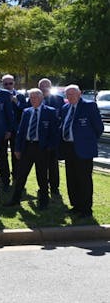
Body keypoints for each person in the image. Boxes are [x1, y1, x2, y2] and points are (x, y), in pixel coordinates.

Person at [4, 88, 59, 210]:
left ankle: (44, 201)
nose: (33, 100)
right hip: (27, 147)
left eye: (35, 97)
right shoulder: (26, 112)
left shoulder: (50, 112)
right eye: (31, 98)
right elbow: (21, 132)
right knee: (21, 175)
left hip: (42, 148)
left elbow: (54, 132)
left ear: (41, 98)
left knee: (42, 176)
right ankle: (15, 199)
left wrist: (49, 148)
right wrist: (17, 149)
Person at [59, 85, 103, 218]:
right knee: (71, 178)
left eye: (73, 94)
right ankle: (76, 206)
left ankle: (86, 209)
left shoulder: (89, 106)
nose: (70, 97)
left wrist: (87, 141)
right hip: (68, 148)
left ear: (80, 94)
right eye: (68, 95)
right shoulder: (65, 108)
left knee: (84, 179)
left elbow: (98, 128)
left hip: (83, 149)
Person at [39, 78, 65, 199]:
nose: (44, 88)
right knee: (40, 164)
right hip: (39, 138)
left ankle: (54, 187)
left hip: (53, 137)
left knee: (53, 165)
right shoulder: (35, 98)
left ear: (50, 87)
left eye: (46, 86)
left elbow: (62, 117)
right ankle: (42, 186)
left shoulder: (58, 99)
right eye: (42, 86)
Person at [1, 74, 27, 184]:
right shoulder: (0, 95)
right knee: (2, 154)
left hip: (16, 129)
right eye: (5, 84)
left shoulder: (20, 96)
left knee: (16, 153)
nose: (8, 86)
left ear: (14, 83)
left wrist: (17, 102)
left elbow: (25, 110)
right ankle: (4, 176)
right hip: (3, 129)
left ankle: (16, 175)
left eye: (10, 83)